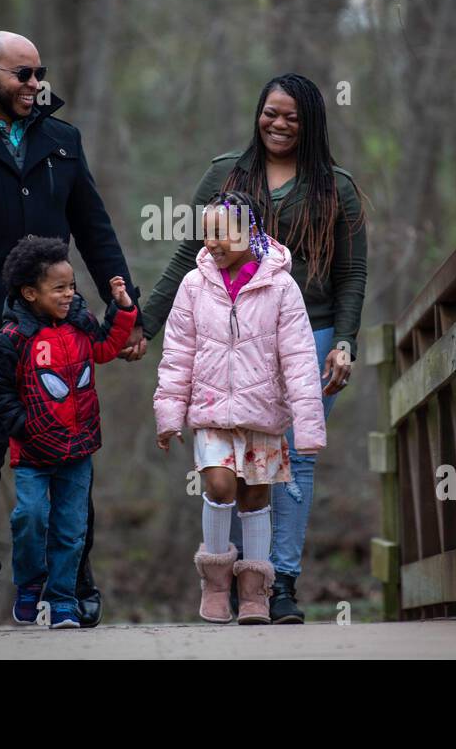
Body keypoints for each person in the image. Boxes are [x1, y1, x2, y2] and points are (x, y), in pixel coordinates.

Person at [0, 31, 144, 632]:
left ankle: (75, 581)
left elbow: (95, 229)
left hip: (61, 337)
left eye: (40, 73)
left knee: (71, 454)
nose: (36, 85)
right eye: (22, 75)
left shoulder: (62, 142)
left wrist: (128, 311)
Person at [135, 72, 367, 622]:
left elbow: (352, 274)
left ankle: (278, 582)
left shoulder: (337, 187)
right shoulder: (224, 175)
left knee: (290, 461)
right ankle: (239, 582)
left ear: (310, 122)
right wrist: (145, 325)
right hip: (236, 341)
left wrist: (346, 342)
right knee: (235, 463)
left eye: (291, 116)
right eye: (270, 112)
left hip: (310, 333)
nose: (278, 124)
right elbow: (186, 257)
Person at [153, 191, 327, 624]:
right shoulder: (195, 285)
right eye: (206, 233)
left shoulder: (280, 285)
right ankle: (215, 583)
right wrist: (169, 414)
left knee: (253, 497)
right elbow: (177, 353)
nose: (213, 242)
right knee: (219, 486)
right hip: (211, 411)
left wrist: (308, 429)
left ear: (250, 232)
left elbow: (301, 359)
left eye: (223, 233)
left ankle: (254, 594)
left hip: (263, 415)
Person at [0, 237, 137, 629]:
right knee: (31, 517)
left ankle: (63, 601)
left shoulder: (80, 323)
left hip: (78, 449)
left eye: (72, 286)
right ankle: (29, 583)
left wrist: (122, 310)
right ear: (30, 293)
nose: (70, 294)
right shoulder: (14, 338)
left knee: (72, 530)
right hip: (33, 453)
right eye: (59, 288)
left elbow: (105, 348)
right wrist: (25, 428)